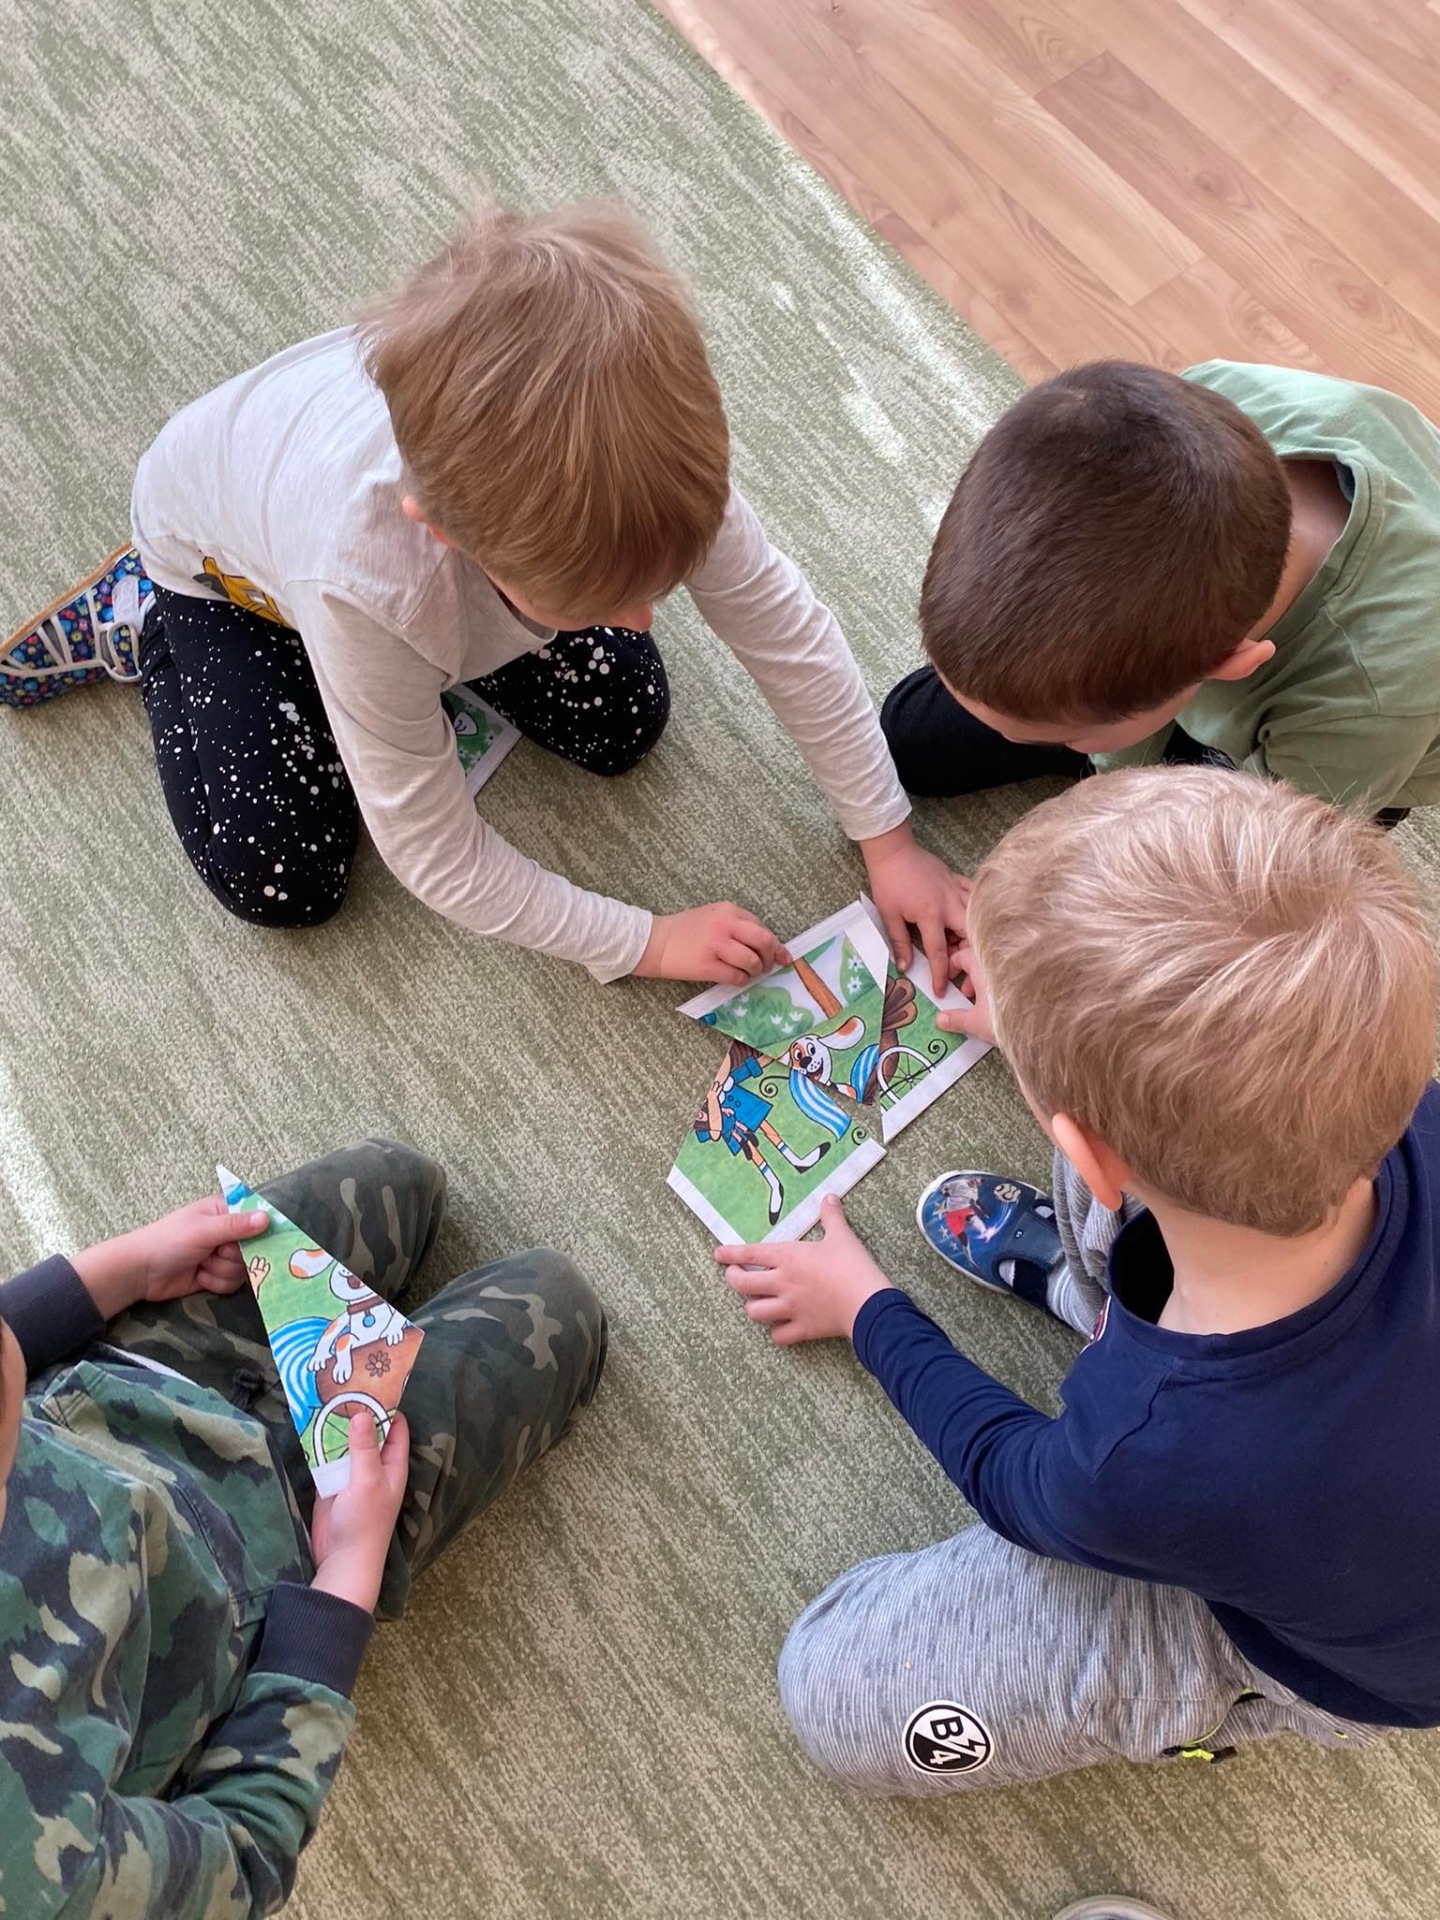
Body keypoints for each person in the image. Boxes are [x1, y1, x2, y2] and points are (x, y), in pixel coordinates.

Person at [5, 200, 965, 994]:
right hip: (224, 577)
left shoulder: (650, 463)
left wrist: (888, 844)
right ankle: (144, 620)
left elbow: (788, 636)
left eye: (658, 586)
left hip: (375, 537)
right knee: (282, 877)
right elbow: (437, 856)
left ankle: (434, 651)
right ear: (444, 531)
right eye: (601, 597)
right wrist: (642, 941)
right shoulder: (366, 582)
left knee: (623, 712)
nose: (643, 621)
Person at [715, 766, 1440, 1793]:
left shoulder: (1146, 1455)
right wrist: (1057, 1023)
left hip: (1338, 1654)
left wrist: (870, 1312)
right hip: (1344, 1466)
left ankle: (1227, 1710)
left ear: (1091, 1153)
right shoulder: (1394, 1083)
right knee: (1173, 1159)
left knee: (834, 1693)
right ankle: (1106, 1295)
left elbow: (1013, 1478)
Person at [0, 1139, 604, 1914]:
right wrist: (347, 1575)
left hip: (129, 1379)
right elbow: (244, 1856)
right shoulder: (39, 1875)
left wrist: (122, 1270)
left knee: (401, 1178)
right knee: (560, 1304)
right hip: (297, 1542)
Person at [881, 361, 1440, 826]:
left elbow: (1263, 865)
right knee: (909, 739)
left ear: (1226, 667)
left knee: (1214, 862)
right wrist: (1100, 757)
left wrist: (1115, 805)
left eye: (1068, 738)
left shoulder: (1364, 709)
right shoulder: (1173, 411)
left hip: (1351, 759)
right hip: (1184, 663)